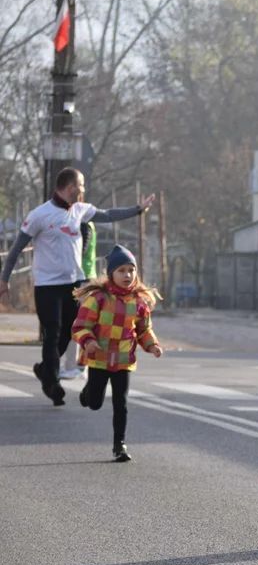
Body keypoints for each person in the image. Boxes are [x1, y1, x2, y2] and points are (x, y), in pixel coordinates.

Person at [0, 168, 154, 405]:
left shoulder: (80, 210)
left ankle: (44, 369)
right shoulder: (40, 215)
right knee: (52, 332)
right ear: (71, 187)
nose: (84, 190)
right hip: (47, 285)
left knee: (69, 332)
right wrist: (4, 279)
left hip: (73, 284)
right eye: (82, 185)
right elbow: (16, 249)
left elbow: (109, 214)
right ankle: (52, 383)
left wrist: (138, 209)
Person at [71, 245, 163, 462]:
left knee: (120, 403)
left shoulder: (140, 302)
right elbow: (80, 326)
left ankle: (119, 445)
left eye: (131, 270)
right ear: (110, 273)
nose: (127, 275)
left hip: (124, 360)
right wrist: (88, 340)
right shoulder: (98, 298)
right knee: (94, 403)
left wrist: (152, 345)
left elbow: (144, 330)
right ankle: (88, 392)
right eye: (121, 270)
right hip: (99, 358)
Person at [60, 196, 99, 381]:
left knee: (76, 324)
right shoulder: (87, 223)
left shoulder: (83, 224)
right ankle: (79, 365)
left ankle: (74, 366)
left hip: (83, 280)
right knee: (81, 324)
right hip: (85, 279)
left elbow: (78, 251)